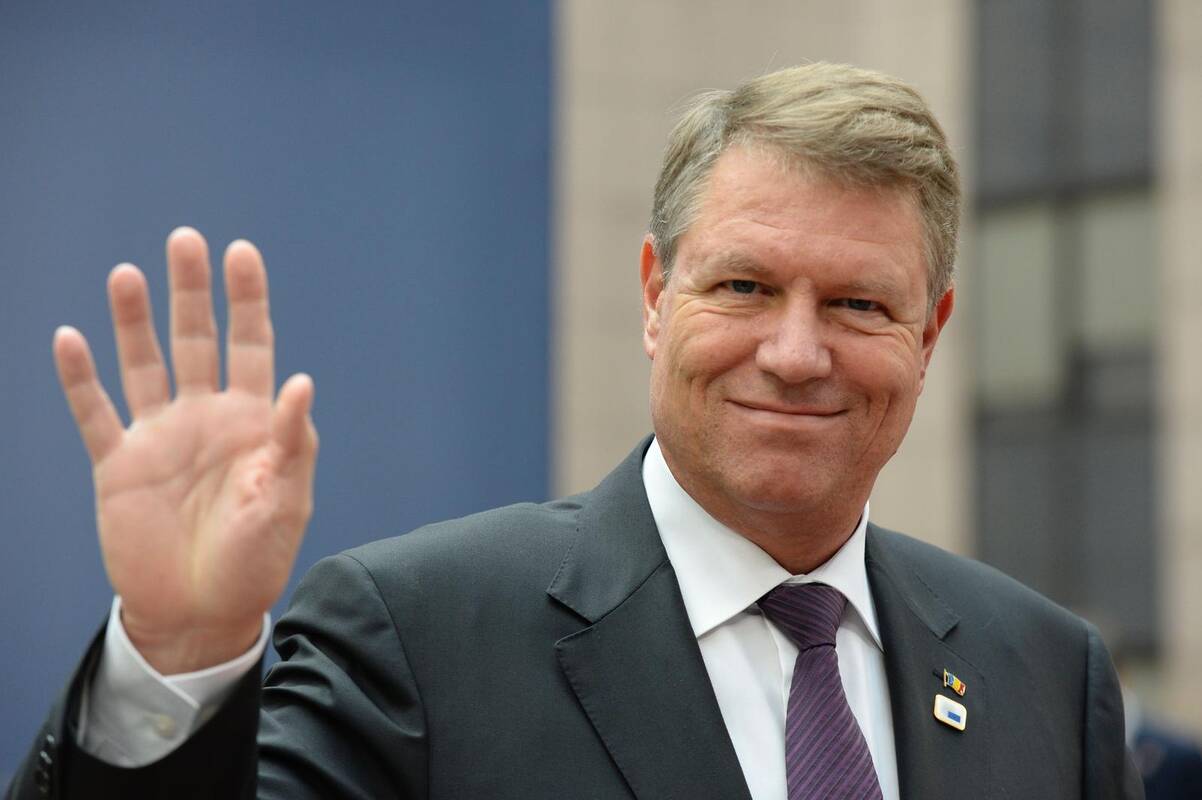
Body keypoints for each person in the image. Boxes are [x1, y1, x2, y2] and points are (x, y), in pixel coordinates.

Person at [7, 63, 1142, 799]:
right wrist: (177, 658)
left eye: (856, 304)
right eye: (743, 287)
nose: (797, 353)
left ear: (929, 332)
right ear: (653, 296)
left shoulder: (1046, 675)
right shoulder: (415, 638)